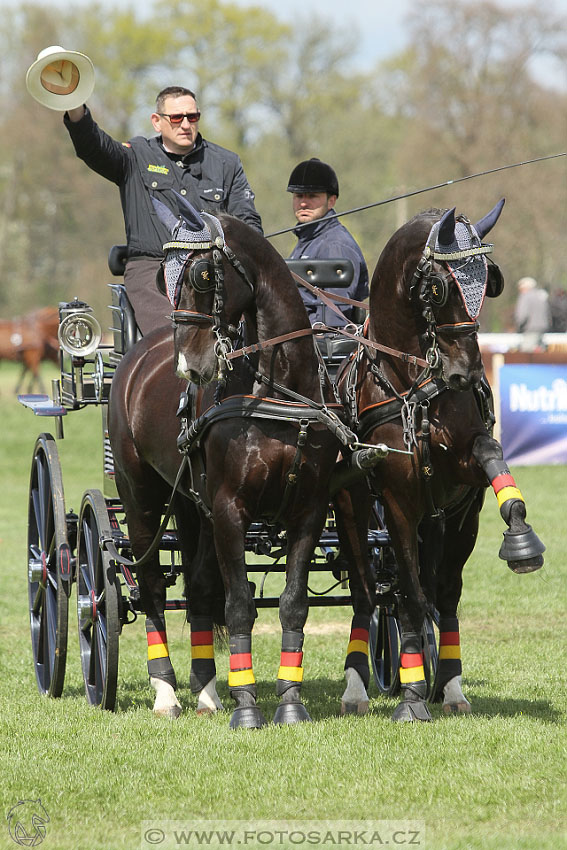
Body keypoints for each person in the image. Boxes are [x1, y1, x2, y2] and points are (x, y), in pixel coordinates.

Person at [64, 87, 263, 334]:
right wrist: (73, 104)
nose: (186, 124)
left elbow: (248, 224)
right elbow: (93, 147)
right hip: (151, 271)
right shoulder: (135, 156)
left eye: (192, 117)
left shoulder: (226, 163)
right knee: (172, 339)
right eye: (177, 118)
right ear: (157, 122)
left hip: (212, 269)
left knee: (245, 339)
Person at [287, 158, 368, 327]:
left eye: (312, 196)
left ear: (331, 201)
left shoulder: (335, 245)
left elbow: (332, 322)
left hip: (316, 346)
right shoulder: (307, 239)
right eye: (298, 196)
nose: (303, 203)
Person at [514, 276, 551, 351]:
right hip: (543, 328)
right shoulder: (541, 296)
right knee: (540, 352)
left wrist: (519, 325)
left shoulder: (526, 296)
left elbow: (522, 315)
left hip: (530, 329)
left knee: (527, 353)